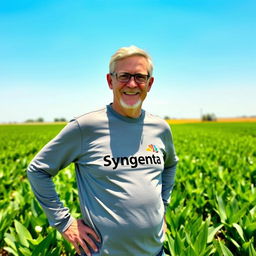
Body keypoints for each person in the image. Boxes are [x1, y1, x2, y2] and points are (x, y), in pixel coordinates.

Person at [27, 45, 178, 256]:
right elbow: (38, 170)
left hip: (155, 251)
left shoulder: (160, 128)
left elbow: (171, 164)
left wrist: (163, 206)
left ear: (149, 84)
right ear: (110, 81)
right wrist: (65, 223)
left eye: (140, 77)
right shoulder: (86, 127)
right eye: (124, 76)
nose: (132, 84)